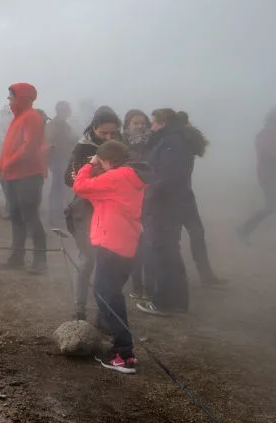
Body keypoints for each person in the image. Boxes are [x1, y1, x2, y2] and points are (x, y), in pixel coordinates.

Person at [72, 140, 150, 374]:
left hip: (112, 242)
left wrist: (88, 167)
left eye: (100, 160)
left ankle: (123, 354)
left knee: (107, 295)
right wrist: (94, 173)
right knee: (108, 293)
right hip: (124, 241)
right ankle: (123, 350)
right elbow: (102, 197)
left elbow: (81, 188)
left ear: (107, 160)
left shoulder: (117, 177)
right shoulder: (129, 177)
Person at [64, 106, 122, 320]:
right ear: (94, 129)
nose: (108, 137)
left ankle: (104, 313)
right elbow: (68, 178)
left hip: (113, 210)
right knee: (87, 258)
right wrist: (94, 177)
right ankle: (79, 310)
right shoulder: (82, 148)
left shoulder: (121, 147)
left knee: (109, 262)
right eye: (103, 133)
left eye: (113, 133)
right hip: (86, 209)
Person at [137, 109, 192, 317]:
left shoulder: (172, 143)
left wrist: (148, 193)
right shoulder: (176, 139)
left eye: (153, 123)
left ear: (162, 123)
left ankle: (164, 303)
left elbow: (166, 176)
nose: (151, 127)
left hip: (165, 205)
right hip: (171, 204)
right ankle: (178, 302)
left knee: (164, 252)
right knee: (170, 252)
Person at [0, 83, 49, 273]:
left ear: (21, 97)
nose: (8, 98)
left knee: (30, 217)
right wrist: (3, 166)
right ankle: (17, 256)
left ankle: (40, 260)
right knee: (17, 217)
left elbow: (28, 148)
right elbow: (12, 145)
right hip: (13, 176)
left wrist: (8, 163)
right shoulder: (19, 117)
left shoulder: (31, 118)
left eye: (11, 95)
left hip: (27, 176)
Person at [238, 106, 276, 249]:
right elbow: (266, 154)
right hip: (271, 177)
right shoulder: (266, 135)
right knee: (272, 207)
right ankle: (244, 229)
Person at [177, 111, 223, 286]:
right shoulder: (187, 140)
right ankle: (204, 274)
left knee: (191, 234)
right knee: (195, 233)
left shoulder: (178, 141)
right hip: (180, 196)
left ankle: (202, 275)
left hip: (181, 195)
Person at [123, 109, 153, 300]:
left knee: (147, 242)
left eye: (143, 123)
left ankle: (149, 285)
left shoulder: (154, 143)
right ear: (127, 126)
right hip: (129, 197)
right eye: (136, 123)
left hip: (150, 197)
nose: (141, 126)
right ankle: (136, 284)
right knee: (134, 242)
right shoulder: (121, 145)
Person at [46, 101, 77, 228]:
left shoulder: (62, 124)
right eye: (68, 109)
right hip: (58, 159)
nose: (70, 111)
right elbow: (49, 141)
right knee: (57, 188)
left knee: (60, 188)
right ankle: (55, 216)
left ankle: (57, 215)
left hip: (62, 158)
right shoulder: (55, 124)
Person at [0, 104, 14, 220]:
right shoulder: (0, 126)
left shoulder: (13, 126)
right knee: (5, 184)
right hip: (0, 158)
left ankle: (11, 211)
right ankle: (9, 209)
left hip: (7, 159)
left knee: (7, 185)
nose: (3, 116)